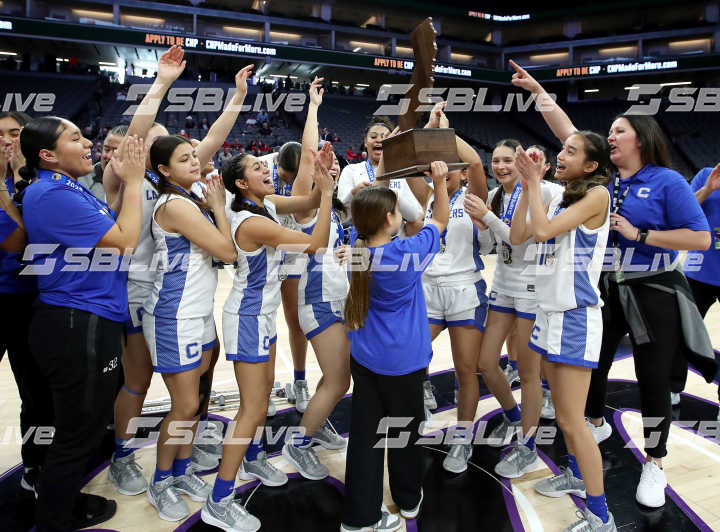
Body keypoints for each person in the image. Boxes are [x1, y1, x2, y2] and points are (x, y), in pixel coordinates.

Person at [509, 59, 712, 509]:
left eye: (619, 129)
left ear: (640, 137)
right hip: (604, 288)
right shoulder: (602, 180)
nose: (612, 134)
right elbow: (568, 134)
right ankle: (591, 428)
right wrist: (538, 90)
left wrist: (641, 235)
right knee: (591, 370)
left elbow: (700, 237)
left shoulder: (667, 180)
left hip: (651, 286)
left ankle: (655, 461)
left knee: (654, 378)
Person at [20, 118, 146, 531]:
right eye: (75, 137)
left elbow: (108, 229)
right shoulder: (52, 193)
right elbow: (125, 241)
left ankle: (63, 507)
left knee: (80, 429)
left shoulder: (67, 187)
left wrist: (161, 82)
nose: (88, 142)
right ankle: (54, 520)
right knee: (75, 438)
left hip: (84, 319)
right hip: (78, 323)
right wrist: (135, 181)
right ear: (48, 155)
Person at [201, 150, 334, 531]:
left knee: (258, 406)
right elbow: (316, 243)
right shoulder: (250, 222)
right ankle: (219, 499)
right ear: (241, 183)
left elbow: (306, 200)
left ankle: (253, 455)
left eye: (267, 165)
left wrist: (321, 178)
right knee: (252, 409)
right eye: (257, 168)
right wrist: (327, 195)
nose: (267, 169)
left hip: (261, 315)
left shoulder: (267, 203)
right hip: (246, 318)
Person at [508, 133, 615, 532]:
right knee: (561, 409)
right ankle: (573, 471)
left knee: (571, 420)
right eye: (562, 148)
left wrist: (535, 184)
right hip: (549, 314)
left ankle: (601, 516)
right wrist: (525, 186)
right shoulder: (555, 194)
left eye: (571, 151)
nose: (561, 155)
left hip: (575, 317)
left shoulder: (598, 196)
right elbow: (519, 235)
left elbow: (542, 233)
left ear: (590, 165)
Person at [340, 158, 449, 532]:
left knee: (365, 437)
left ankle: (359, 517)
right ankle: (407, 497)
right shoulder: (405, 254)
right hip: (402, 362)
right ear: (389, 219)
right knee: (404, 433)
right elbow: (439, 222)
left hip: (366, 357)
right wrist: (439, 185)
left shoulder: (357, 251)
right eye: (395, 211)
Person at [142, 135, 237, 522]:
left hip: (197, 312)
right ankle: (160, 480)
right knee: (183, 406)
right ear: (164, 170)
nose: (195, 162)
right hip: (172, 316)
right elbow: (228, 252)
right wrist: (217, 207)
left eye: (194, 155)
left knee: (194, 402)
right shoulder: (176, 204)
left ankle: (181, 471)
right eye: (184, 159)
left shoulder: (188, 196)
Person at [464, 140, 562, 479]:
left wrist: (488, 218)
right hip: (504, 283)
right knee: (486, 362)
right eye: (497, 160)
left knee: (530, 373)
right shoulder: (494, 195)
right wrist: (483, 227)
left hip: (534, 287)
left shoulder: (546, 191)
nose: (502, 166)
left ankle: (529, 446)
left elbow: (523, 238)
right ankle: (514, 416)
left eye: (509, 160)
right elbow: (495, 244)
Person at [403, 102, 492, 473]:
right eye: (436, 165)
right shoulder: (425, 195)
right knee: (411, 356)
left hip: (464, 291)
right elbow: (413, 161)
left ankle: (462, 437)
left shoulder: (474, 197)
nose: (442, 170)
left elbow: (475, 164)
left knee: (465, 369)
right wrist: (428, 129)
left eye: (449, 164)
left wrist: (446, 132)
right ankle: (417, 402)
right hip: (427, 290)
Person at [283, 78, 350, 480]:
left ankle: (314, 421)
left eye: (336, 163)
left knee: (337, 377)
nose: (331, 167)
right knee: (339, 379)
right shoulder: (306, 202)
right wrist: (313, 107)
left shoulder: (334, 208)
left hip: (335, 298)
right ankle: (298, 442)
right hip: (317, 300)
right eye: (326, 166)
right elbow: (308, 158)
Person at [0, 110, 49, 496]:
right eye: (1, 135)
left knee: (36, 393)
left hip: (26, 300)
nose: (7, 141)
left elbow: (24, 242)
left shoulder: (35, 184)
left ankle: (34, 466)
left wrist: (16, 181)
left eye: (14, 134)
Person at [336, 116, 424, 237]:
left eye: (384, 137)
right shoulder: (351, 170)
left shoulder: (402, 173)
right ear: (365, 142)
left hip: (395, 246)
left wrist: (394, 196)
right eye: (373, 136)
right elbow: (340, 216)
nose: (379, 140)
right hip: (362, 244)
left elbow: (414, 216)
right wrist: (354, 194)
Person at [682, 163, 720, 420]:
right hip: (699, 272)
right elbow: (682, 213)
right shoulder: (706, 175)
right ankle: (673, 387)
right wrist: (707, 190)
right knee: (682, 332)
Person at [79, 124, 128, 202]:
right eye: (106, 149)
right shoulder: (82, 181)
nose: (108, 156)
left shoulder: (144, 183)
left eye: (116, 151)